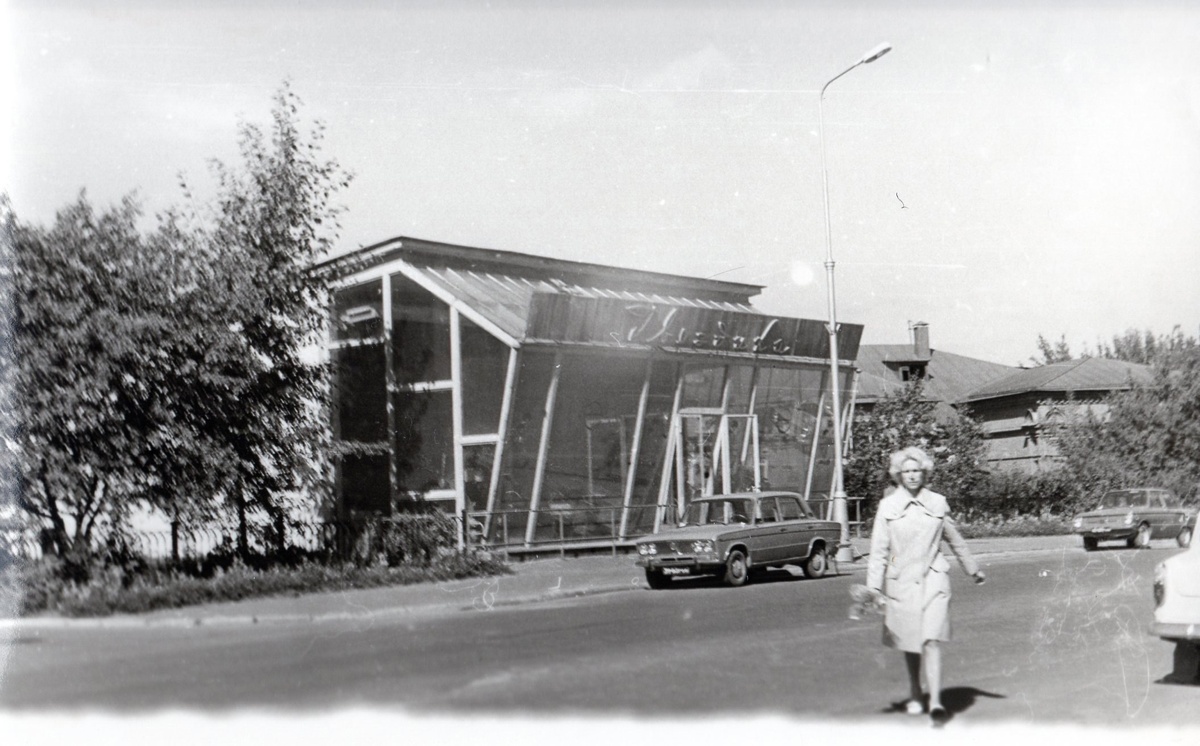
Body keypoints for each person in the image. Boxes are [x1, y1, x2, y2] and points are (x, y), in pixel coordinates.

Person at [865, 446, 986, 725]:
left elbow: (955, 540)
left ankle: (935, 703)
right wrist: (874, 588)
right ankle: (915, 691)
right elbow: (879, 551)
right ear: (898, 475)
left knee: (931, 640)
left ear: (924, 473)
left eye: (916, 471)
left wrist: (973, 569)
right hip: (901, 583)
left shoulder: (937, 503)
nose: (911, 476)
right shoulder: (888, 507)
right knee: (911, 641)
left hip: (934, 580)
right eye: (906, 471)